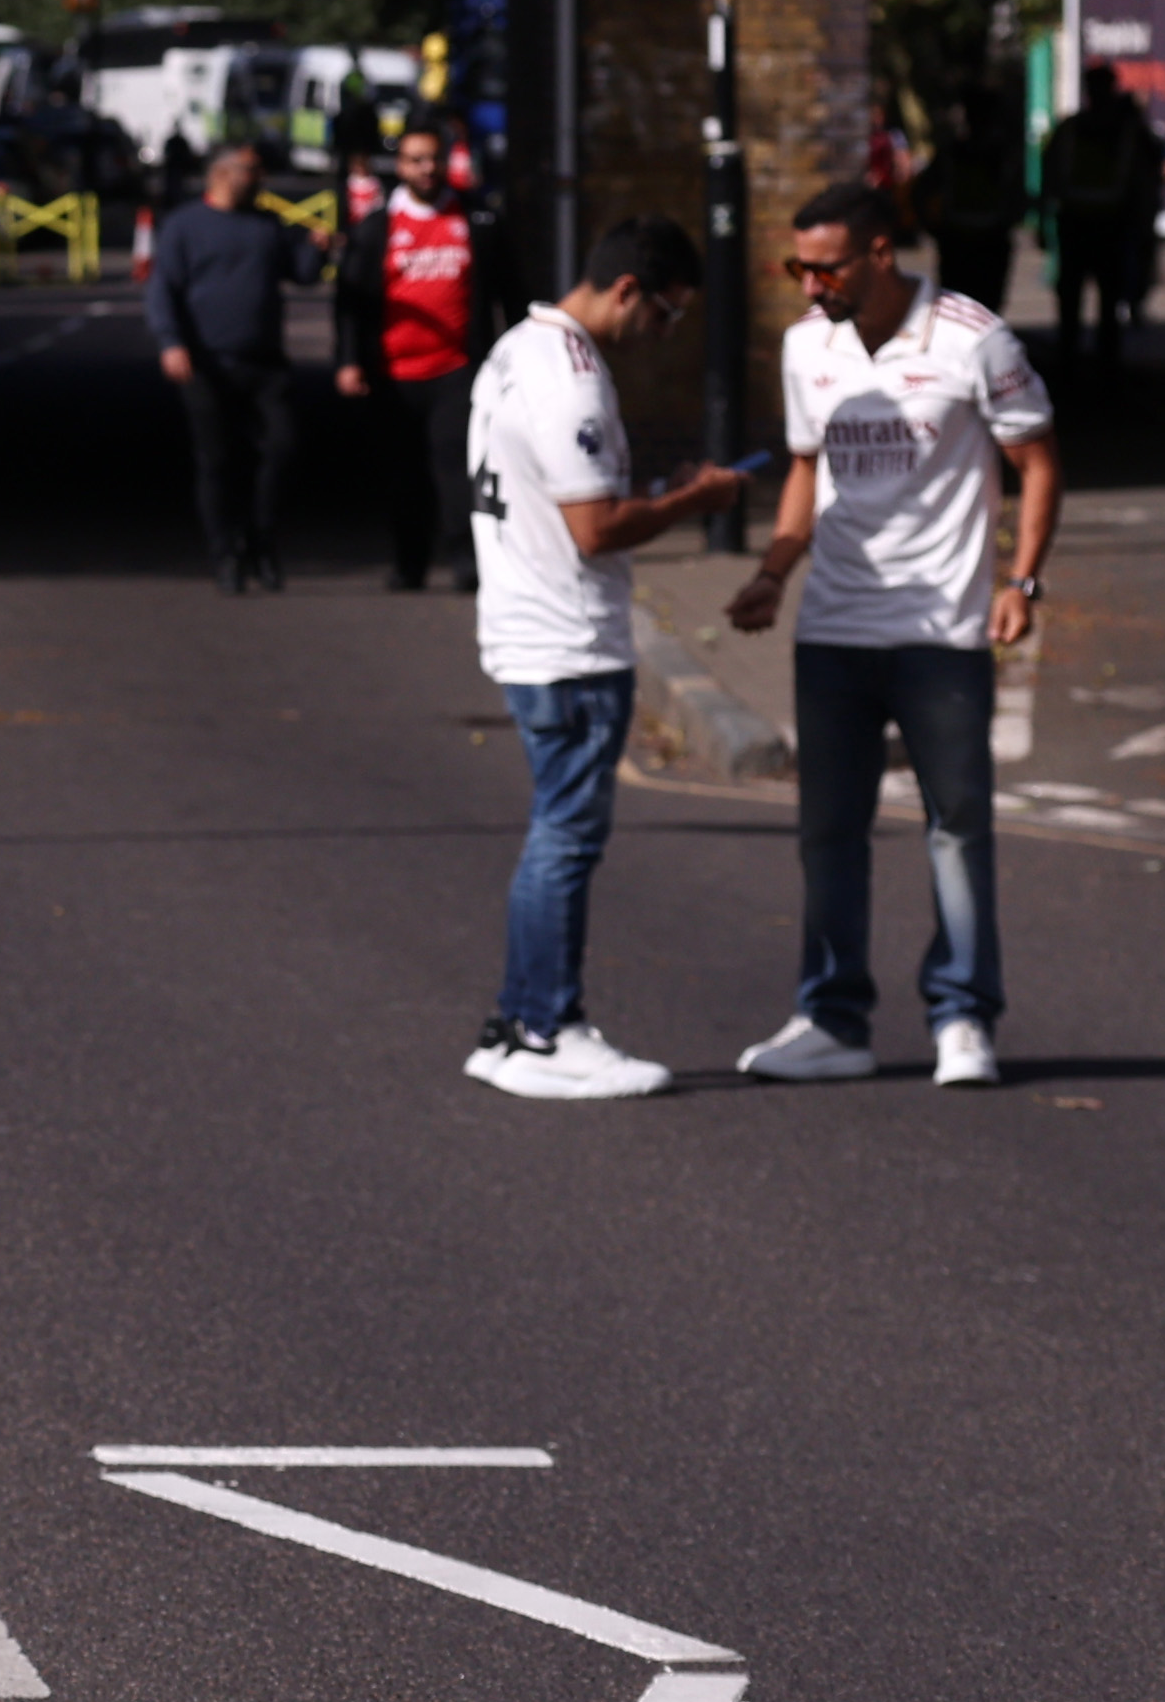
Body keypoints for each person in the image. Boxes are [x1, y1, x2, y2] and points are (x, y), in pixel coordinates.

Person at [725, 179, 1057, 1090]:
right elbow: (803, 468)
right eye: (797, 267)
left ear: (877, 255)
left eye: (823, 267)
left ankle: (962, 1018)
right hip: (832, 628)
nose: (807, 285)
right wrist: (770, 572)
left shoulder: (970, 336)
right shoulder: (805, 347)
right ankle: (832, 1021)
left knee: (956, 826)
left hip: (939, 629)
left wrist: (1020, 581)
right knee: (827, 830)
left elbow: (1036, 458)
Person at [462, 218, 753, 1102]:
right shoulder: (571, 381)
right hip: (568, 638)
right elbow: (594, 530)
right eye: (665, 314)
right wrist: (694, 501)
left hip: (525, 622)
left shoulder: (516, 347)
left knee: (556, 831)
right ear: (627, 289)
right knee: (565, 837)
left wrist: (656, 497)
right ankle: (543, 1028)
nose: (664, 334)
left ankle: (517, 1024)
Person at [147, 139, 312, 592]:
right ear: (221, 173)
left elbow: (301, 272)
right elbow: (163, 288)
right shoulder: (185, 227)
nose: (259, 178)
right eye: (251, 169)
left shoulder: (267, 224)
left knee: (282, 449)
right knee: (218, 462)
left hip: (265, 362)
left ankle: (263, 539)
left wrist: (317, 248)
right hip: (207, 364)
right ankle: (227, 554)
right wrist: (171, 342)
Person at [337, 136, 491, 591]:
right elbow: (350, 300)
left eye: (433, 159)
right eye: (415, 160)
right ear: (400, 166)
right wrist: (348, 360)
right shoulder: (376, 228)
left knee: (455, 467)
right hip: (395, 374)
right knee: (403, 474)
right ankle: (410, 564)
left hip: (456, 368)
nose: (426, 168)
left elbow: (507, 288)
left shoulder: (476, 218)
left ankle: (466, 563)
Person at [1038, 66, 1165, 379]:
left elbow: (1050, 177)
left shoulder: (1077, 128)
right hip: (1100, 225)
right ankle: (1097, 361)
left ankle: (1083, 360)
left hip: (1090, 224)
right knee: (1096, 300)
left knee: (1089, 300)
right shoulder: (1121, 130)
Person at [921, 105, 1022, 316]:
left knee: (973, 308)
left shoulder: (996, 155)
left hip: (975, 240)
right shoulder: (995, 154)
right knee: (971, 307)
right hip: (970, 240)